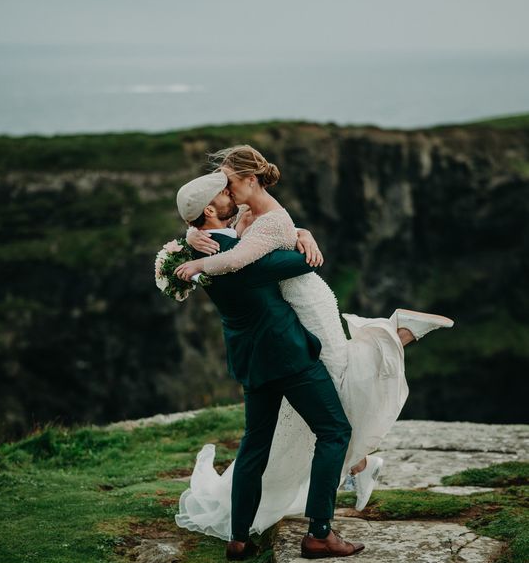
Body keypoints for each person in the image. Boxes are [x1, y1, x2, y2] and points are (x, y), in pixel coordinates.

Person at [174, 147, 454, 536]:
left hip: (301, 308)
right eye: (222, 188)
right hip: (285, 327)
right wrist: (196, 238)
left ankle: (397, 334)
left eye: (229, 183)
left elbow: (255, 248)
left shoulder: (256, 222)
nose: (227, 190)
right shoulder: (236, 222)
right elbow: (251, 248)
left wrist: (203, 255)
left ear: (250, 180)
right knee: (335, 399)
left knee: (339, 376)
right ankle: (353, 474)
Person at [174, 170, 366, 562]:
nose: (233, 196)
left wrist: (190, 235)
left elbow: (199, 246)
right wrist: (303, 237)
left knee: (254, 445)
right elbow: (300, 263)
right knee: (333, 430)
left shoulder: (198, 250)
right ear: (211, 209)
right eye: (225, 194)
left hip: (250, 360)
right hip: (288, 356)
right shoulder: (241, 260)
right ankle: (319, 534)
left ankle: (239, 537)